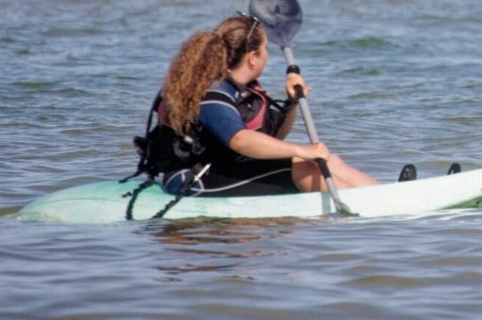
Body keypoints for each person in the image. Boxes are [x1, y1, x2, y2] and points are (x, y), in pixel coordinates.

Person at [144, 13, 379, 196]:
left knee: (328, 161)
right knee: (302, 165)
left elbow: (274, 138)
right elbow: (240, 140)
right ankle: (370, 206)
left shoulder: (240, 90)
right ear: (252, 57)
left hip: (220, 169)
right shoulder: (212, 94)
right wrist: (301, 150)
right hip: (191, 180)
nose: (268, 55)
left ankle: (381, 195)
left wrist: (292, 103)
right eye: (265, 49)